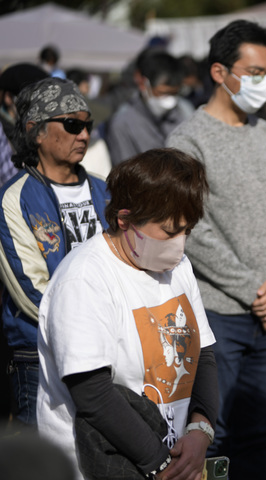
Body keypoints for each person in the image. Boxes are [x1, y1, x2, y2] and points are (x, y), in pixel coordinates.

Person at [166, 19, 266, 480]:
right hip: (218, 313)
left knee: (260, 431)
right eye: (255, 72)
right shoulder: (188, 140)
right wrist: (256, 288)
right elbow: (192, 229)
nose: (265, 82)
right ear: (220, 72)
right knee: (212, 434)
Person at [36, 148, 217, 480]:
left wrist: (200, 429)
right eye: (169, 230)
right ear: (125, 220)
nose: (180, 243)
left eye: (186, 230)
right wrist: (161, 463)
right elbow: (92, 393)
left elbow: (202, 354)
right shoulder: (84, 279)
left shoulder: (179, 268)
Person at [0, 77, 110, 429]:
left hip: (111, 346)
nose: (83, 135)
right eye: (72, 124)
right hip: (41, 355)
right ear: (36, 131)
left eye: (87, 125)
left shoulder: (106, 190)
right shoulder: (12, 199)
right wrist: (94, 324)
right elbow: (30, 290)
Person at [107, 48, 194, 166]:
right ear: (143, 83)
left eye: (174, 93)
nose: (170, 100)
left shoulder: (185, 111)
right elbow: (125, 172)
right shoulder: (123, 123)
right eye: (163, 93)